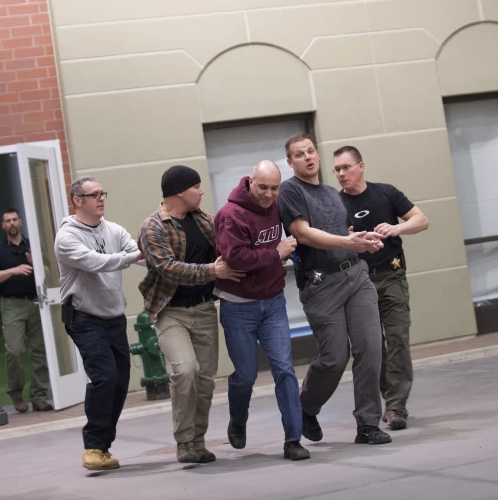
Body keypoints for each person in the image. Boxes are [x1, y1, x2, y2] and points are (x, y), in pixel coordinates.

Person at [277, 134, 392, 446]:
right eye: (299, 155)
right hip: (321, 283)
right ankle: (306, 407)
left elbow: (342, 233)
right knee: (334, 358)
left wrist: (359, 239)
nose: (308, 157)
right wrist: (346, 241)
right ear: (290, 162)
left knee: (370, 348)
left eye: (311, 151)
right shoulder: (289, 191)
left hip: (356, 275)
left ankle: (367, 424)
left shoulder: (331, 192)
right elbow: (304, 233)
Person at [138, 165, 244, 464]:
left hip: (204, 309)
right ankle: (184, 442)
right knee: (184, 371)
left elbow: (227, 247)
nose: (201, 191)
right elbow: (167, 268)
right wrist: (213, 270)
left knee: (205, 380)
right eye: (196, 186)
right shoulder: (153, 227)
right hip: (170, 312)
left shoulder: (204, 220)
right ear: (180, 192)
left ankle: (198, 441)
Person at [214, 161, 310, 461]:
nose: (269, 195)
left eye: (275, 188)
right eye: (263, 187)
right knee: (246, 375)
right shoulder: (231, 215)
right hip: (238, 306)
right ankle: (238, 419)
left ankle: (293, 439)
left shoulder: (277, 205)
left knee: (284, 369)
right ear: (250, 183)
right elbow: (236, 258)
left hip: (274, 302)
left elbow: (300, 226)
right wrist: (276, 253)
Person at [334, 146, 429, 430]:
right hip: (359, 283)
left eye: (346, 168)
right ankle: (389, 397)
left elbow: (421, 220)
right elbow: (330, 243)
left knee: (397, 338)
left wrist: (396, 228)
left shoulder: (385, 193)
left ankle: (397, 407)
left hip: (392, 277)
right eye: (337, 170)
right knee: (373, 347)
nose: (341, 174)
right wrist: (347, 239)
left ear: (360, 166)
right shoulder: (335, 204)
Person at [55, 177, 141, 471]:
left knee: (119, 383)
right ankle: (93, 445)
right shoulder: (67, 237)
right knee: (104, 376)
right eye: (93, 195)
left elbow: (138, 252)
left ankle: (102, 446)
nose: (100, 198)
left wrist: (158, 254)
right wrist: (135, 256)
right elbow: (97, 262)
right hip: (84, 318)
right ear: (77, 201)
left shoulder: (113, 230)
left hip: (113, 317)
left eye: (102, 193)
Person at [0, 208, 52, 413]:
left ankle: (39, 396)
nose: (12, 223)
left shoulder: (32, 247)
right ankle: (16, 395)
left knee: (40, 351)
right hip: (12, 304)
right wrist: (13, 271)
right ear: (3, 225)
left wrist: (36, 264)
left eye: (15, 219)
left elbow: (50, 273)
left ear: (20, 222)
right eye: (8, 221)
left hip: (36, 301)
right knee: (14, 351)